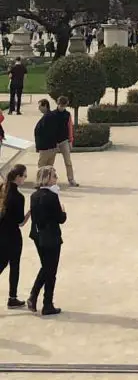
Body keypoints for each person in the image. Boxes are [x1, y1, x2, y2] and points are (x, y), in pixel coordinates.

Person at [28, 166, 66, 315]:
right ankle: (46, 303)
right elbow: (60, 219)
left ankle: (35, 296)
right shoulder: (51, 196)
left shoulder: (34, 195)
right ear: (47, 178)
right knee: (51, 270)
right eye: (54, 176)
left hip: (38, 236)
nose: (56, 178)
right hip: (51, 237)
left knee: (46, 267)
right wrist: (63, 212)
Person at [0, 164, 29, 308]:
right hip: (12, 236)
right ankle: (12, 298)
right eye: (24, 176)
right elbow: (20, 222)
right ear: (18, 177)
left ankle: (13, 298)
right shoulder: (18, 197)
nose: (25, 178)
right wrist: (30, 213)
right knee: (14, 266)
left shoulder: (1, 189)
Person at [53, 96, 78, 187]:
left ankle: (71, 179)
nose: (62, 107)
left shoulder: (67, 114)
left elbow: (70, 127)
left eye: (64, 105)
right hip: (54, 141)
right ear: (57, 103)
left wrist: (71, 140)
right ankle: (48, 180)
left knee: (68, 161)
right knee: (50, 162)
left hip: (64, 141)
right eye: (60, 105)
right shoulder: (52, 114)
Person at [34, 99, 57, 167]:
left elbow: (45, 132)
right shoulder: (51, 116)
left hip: (46, 148)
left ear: (45, 106)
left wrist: (39, 146)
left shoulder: (47, 117)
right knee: (49, 167)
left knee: (42, 167)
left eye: (40, 106)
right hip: (51, 147)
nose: (39, 108)